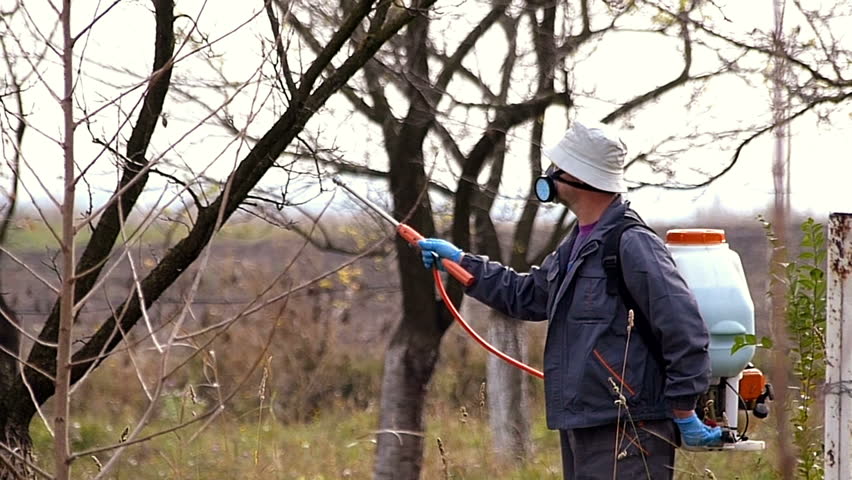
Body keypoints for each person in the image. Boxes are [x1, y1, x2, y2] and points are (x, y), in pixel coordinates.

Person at [418, 121, 721, 479]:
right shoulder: (576, 244)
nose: (549, 175)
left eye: (557, 168)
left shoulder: (632, 243)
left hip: (629, 429)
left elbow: (683, 327)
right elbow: (526, 295)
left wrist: (684, 409)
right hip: (584, 422)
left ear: (580, 176)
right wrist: (462, 262)